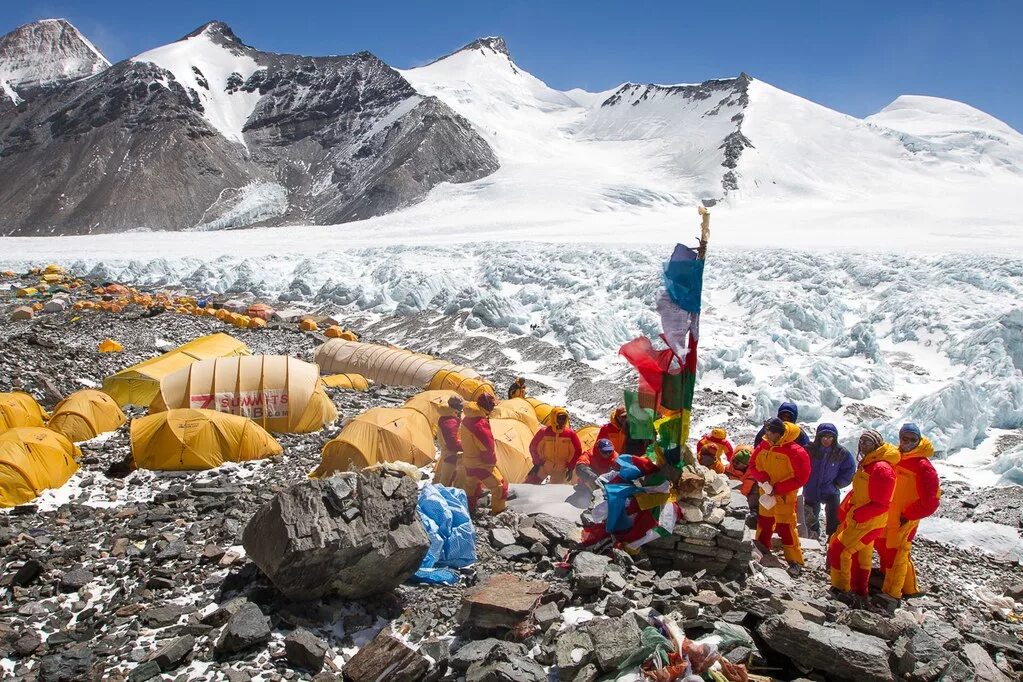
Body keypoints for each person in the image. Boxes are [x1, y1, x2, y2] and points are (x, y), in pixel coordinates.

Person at [827, 430, 898, 598]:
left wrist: (858, 515)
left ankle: (841, 589)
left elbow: (881, 503)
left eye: (867, 442)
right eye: (861, 441)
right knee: (861, 556)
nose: (862, 445)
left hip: (867, 521)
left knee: (839, 549)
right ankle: (860, 591)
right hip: (866, 520)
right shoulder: (869, 463)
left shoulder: (881, 468)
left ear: (876, 444)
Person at [877, 423, 941, 599]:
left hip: (904, 518)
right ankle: (902, 587)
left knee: (897, 554)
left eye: (913, 439)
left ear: (919, 440)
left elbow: (932, 501)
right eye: (905, 438)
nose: (908, 442)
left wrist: (909, 514)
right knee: (883, 548)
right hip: (888, 515)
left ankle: (893, 594)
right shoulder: (896, 456)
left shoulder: (923, 466)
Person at [748, 418, 811, 576]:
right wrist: (762, 479)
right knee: (764, 522)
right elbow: (753, 464)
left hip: (784, 496)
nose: (767, 434)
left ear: (779, 433)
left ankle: (795, 560)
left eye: (770, 431)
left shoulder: (796, 451)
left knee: (786, 527)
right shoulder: (764, 444)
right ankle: (762, 551)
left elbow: (801, 477)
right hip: (766, 492)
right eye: (766, 430)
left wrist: (777, 488)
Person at [457, 392, 507, 515]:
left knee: (471, 488)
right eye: (492, 405)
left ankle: (468, 511)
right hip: (480, 463)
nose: (493, 407)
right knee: (500, 487)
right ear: (488, 405)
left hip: (468, 461)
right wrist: (491, 463)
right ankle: (498, 513)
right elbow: (487, 447)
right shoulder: (479, 423)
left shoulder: (468, 417)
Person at [803, 423, 855, 540]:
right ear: (819, 437)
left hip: (831, 490)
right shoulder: (809, 450)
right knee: (811, 516)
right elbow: (799, 465)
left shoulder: (841, 453)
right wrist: (803, 480)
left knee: (833, 517)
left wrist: (838, 484)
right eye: (824, 437)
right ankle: (813, 536)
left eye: (830, 438)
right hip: (811, 489)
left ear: (835, 438)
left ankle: (832, 539)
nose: (827, 440)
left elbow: (850, 470)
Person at [526, 407, 583, 484]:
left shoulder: (570, 434)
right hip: (545, 465)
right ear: (554, 418)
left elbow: (577, 451)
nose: (561, 421)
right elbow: (534, 447)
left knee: (554, 491)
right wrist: (537, 462)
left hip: (561, 468)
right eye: (559, 418)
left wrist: (570, 467)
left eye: (564, 418)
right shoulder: (544, 432)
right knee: (530, 484)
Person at [434, 396, 464, 487]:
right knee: (447, 483)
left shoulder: (447, 416)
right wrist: (468, 447)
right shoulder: (450, 421)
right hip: (452, 456)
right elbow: (453, 444)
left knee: (443, 480)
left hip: (447, 454)